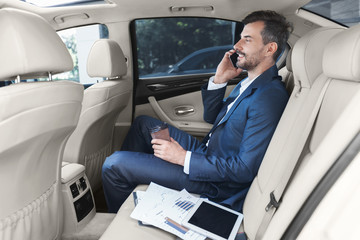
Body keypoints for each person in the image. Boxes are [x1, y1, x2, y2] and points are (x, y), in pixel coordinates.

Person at [102, 10, 292, 213]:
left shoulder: (268, 96)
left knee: (114, 165)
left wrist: (182, 158)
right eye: (239, 39)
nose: (236, 46)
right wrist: (220, 80)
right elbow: (211, 117)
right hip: (207, 153)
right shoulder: (250, 81)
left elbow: (244, 170)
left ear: (269, 48)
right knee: (143, 125)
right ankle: (135, 188)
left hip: (215, 182)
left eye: (247, 40)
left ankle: (118, 216)